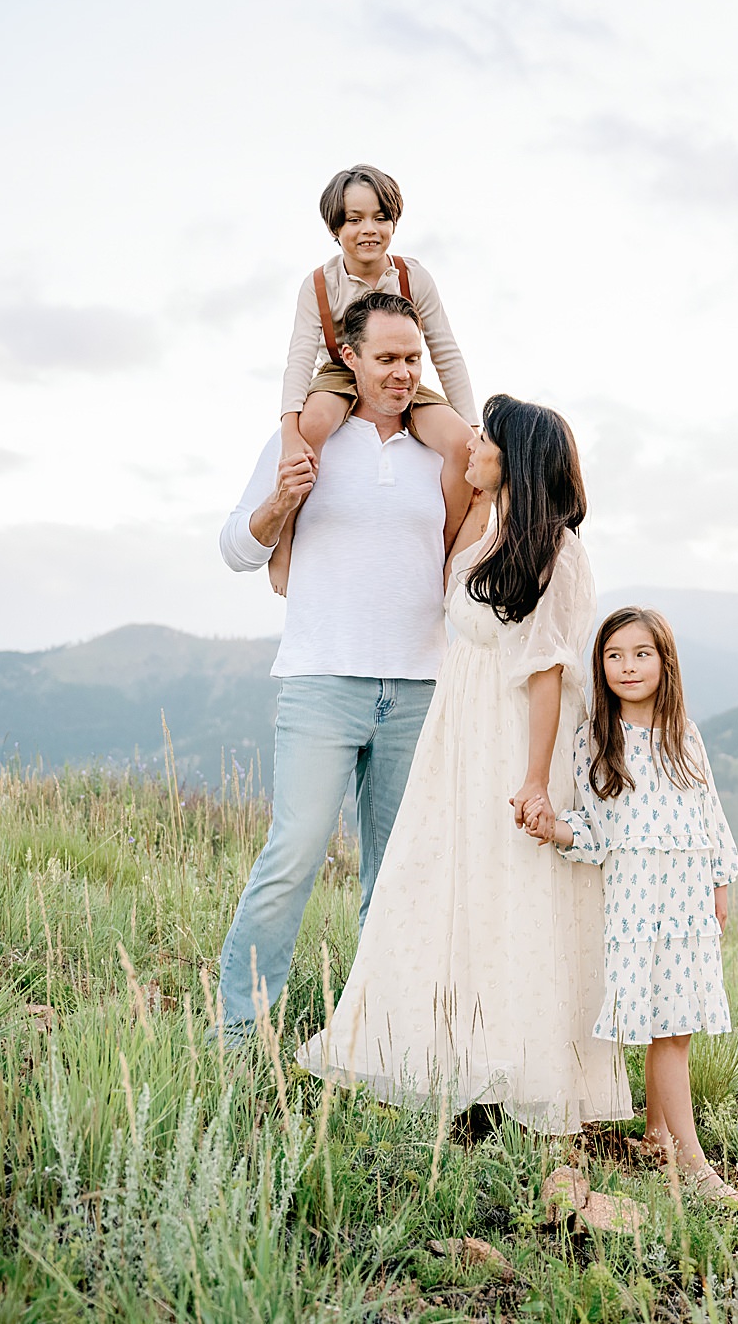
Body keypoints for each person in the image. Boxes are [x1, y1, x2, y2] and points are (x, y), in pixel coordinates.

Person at [299, 395, 633, 1135]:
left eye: (485, 436)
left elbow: (548, 671)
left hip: (515, 739)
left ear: (515, 457)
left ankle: (518, 1073)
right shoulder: (497, 533)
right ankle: (456, 1056)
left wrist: (536, 778)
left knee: (515, 893)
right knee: (457, 887)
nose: (471, 443)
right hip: (462, 737)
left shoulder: (559, 552)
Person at [213, 291, 454, 1041]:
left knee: (398, 873)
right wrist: (276, 507)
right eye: (386, 358)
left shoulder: (438, 450)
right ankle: (240, 1031)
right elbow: (235, 548)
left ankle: (377, 1033)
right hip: (323, 678)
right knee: (294, 852)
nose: (403, 373)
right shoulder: (305, 440)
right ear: (348, 359)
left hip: (419, 686)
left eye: (412, 359)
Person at [522, 606, 738, 1205]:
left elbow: (710, 815)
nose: (627, 666)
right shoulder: (593, 740)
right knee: (665, 1026)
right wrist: (554, 830)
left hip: (688, 895)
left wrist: (720, 881)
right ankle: (696, 1168)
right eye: (614, 655)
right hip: (636, 901)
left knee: (673, 1023)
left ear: (664, 662)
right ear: (600, 667)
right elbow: (594, 831)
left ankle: (656, 1135)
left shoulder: (685, 736)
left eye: (641, 654)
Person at [266, 164, 477, 595]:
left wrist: (473, 424)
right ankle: (285, 536)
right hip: (341, 372)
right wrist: (290, 429)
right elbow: (300, 357)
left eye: (381, 218)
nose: (369, 229)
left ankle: (443, 550)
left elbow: (445, 349)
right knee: (315, 422)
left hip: (402, 374)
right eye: (355, 219)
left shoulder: (412, 276)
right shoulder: (319, 286)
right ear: (334, 228)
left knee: (459, 443)